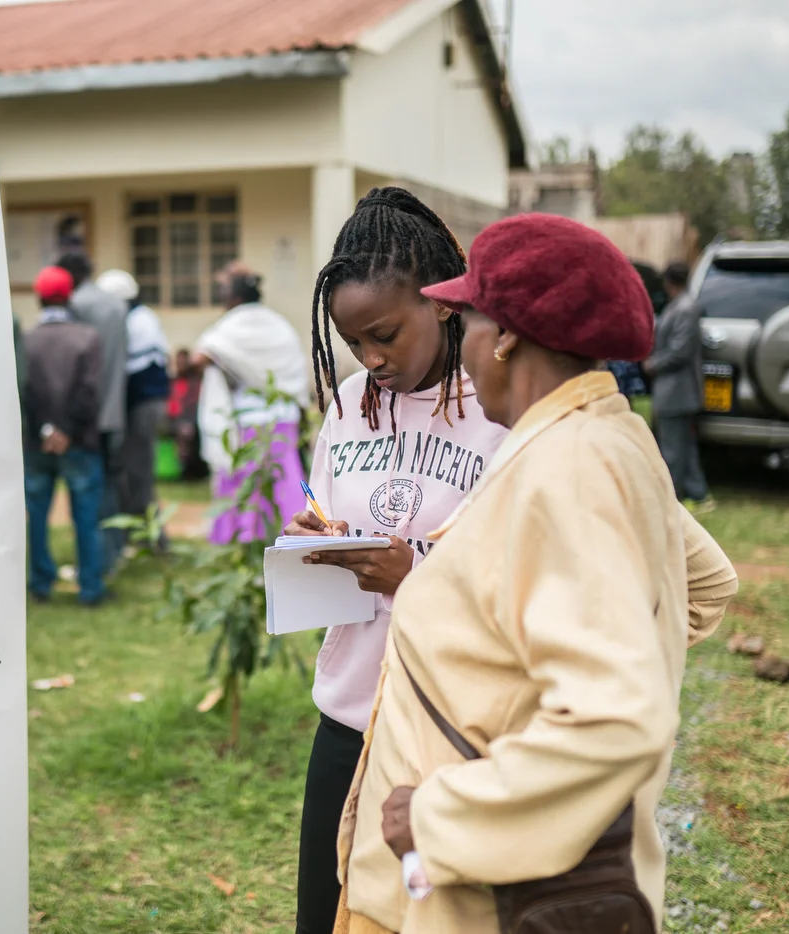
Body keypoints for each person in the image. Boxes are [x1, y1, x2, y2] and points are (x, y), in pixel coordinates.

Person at [334, 214, 738, 934]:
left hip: (476, 891)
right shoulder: (606, 435)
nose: (462, 351)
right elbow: (702, 589)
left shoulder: (569, 470)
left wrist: (446, 812)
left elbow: (614, 718)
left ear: (509, 335)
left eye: (469, 321)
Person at [282, 188, 510, 934]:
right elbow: (326, 502)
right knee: (325, 916)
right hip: (347, 715)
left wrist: (416, 571)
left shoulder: (499, 407)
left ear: (443, 303)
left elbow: (518, 569)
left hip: (449, 729)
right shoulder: (350, 404)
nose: (371, 360)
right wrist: (317, 538)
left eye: (384, 334)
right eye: (354, 345)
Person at [192, 262, 309, 543]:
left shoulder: (232, 324)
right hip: (284, 417)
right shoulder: (280, 324)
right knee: (283, 480)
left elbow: (199, 358)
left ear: (231, 298)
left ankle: (246, 538)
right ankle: (294, 534)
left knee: (249, 484)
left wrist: (233, 368)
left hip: (250, 419)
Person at [22, 266, 106, 606]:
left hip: (37, 442)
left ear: (39, 298)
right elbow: (88, 392)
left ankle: (41, 583)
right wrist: (67, 431)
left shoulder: (26, 340)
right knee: (86, 517)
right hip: (79, 442)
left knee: (37, 516)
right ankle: (89, 587)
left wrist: (46, 428)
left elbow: (23, 391)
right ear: (69, 296)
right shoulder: (88, 337)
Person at [58, 253, 130, 561]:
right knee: (110, 487)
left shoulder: (77, 305)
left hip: (88, 413)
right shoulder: (116, 304)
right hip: (115, 408)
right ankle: (114, 553)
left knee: (89, 496)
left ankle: (97, 562)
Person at [96, 269, 171, 530]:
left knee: (138, 470)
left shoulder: (138, 320)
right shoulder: (140, 316)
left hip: (142, 404)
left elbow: (134, 369)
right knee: (129, 469)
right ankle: (133, 530)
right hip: (140, 403)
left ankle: (153, 536)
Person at [645, 262, 714, 513]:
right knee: (684, 446)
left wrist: (652, 364)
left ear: (668, 281)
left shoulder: (686, 308)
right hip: (674, 389)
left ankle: (671, 500)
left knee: (673, 448)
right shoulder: (679, 305)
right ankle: (699, 494)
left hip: (678, 390)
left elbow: (680, 351)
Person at [168, 349, 207, 480]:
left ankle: (189, 470)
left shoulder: (195, 381)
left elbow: (193, 405)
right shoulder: (173, 381)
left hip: (190, 419)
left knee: (186, 431)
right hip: (172, 420)